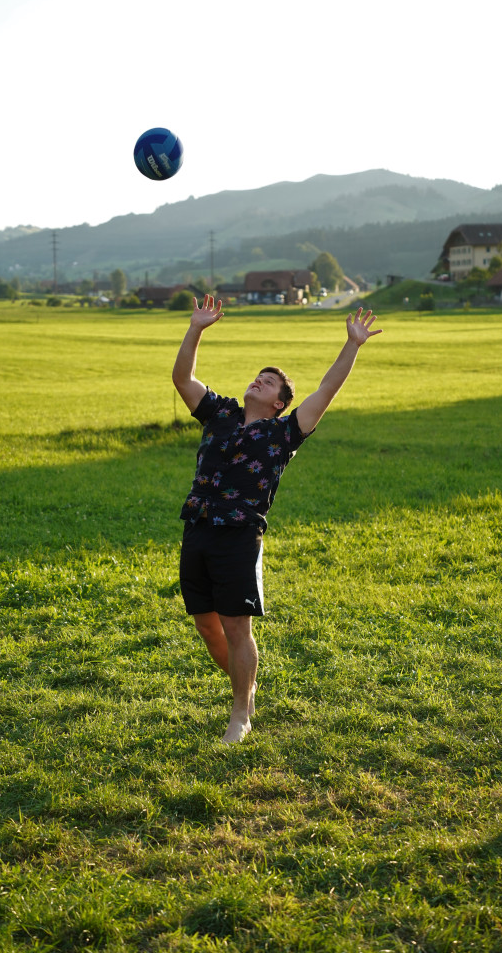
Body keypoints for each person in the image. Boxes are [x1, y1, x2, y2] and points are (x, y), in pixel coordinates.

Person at [172, 294, 382, 744]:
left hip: (239, 535)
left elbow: (326, 390)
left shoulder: (284, 433)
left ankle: (239, 715)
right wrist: (195, 329)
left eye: (268, 382)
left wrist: (353, 344)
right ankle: (246, 689)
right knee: (207, 625)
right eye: (258, 376)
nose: (258, 381)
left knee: (236, 627)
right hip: (198, 527)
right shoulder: (220, 413)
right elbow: (182, 379)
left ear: (279, 404)